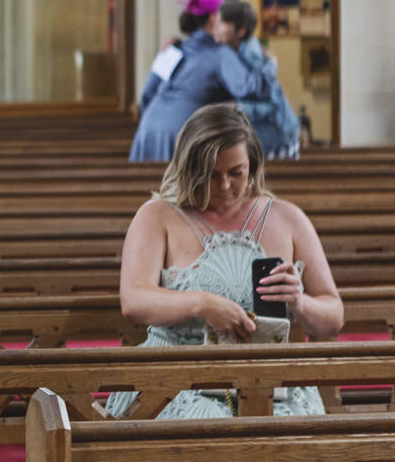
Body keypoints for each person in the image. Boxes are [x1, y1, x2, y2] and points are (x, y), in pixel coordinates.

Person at [110, 103, 343, 421]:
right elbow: (134, 299)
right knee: (208, 427)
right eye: (211, 175)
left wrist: (298, 301)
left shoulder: (288, 218)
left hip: (269, 380)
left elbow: (333, 315)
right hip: (176, 380)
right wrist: (201, 304)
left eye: (237, 173)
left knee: (292, 438)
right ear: (190, 169)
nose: (224, 186)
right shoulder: (157, 216)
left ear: (253, 164)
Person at [129, 0, 278, 162]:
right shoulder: (220, 54)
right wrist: (270, 67)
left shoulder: (172, 49)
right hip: (181, 132)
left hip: (147, 130)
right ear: (213, 18)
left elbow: (146, 94)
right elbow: (249, 88)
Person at [216, 0, 301, 159]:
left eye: (221, 23)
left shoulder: (251, 53)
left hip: (278, 135)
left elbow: (272, 104)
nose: (216, 28)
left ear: (240, 31)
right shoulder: (238, 49)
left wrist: (238, 107)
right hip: (271, 134)